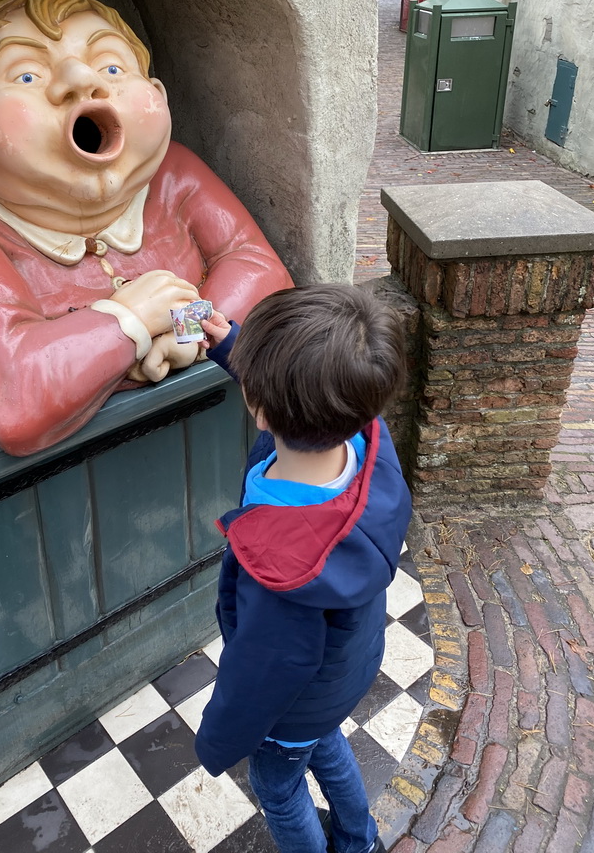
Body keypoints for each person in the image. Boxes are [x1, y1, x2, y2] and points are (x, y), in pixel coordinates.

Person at [0, 0, 292, 455]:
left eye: (113, 67)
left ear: (155, 92)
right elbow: (15, 394)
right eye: (27, 76)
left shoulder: (170, 170)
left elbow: (261, 268)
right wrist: (129, 325)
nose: (82, 80)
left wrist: (191, 328)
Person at [194, 284, 412, 853]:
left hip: (292, 704)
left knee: (280, 787)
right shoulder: (369, 440)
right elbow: (320, 390)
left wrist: (217, 739)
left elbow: (260, 673)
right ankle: (359, 842)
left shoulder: (283, 564)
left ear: (261, 411)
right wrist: (235, 347)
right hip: (345, 672)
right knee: (327, 743)